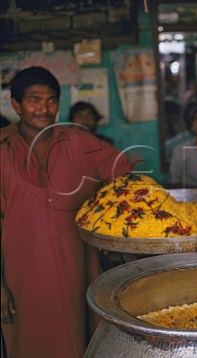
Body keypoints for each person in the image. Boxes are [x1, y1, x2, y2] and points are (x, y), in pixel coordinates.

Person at [0, 67, 131, 358]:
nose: (44, 108)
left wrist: (105, 208)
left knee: (79, 339)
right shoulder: (2, 149)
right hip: (20, 276)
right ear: (16, 104)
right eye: (34, 100)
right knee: (29, 343)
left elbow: (125, 174)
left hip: (76, 267)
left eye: (51, 100)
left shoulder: (78, 142)